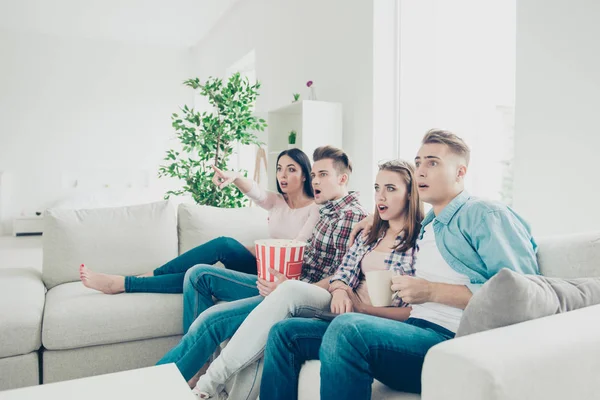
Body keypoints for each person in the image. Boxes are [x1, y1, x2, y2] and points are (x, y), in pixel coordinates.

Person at [260, 129, 540, 400]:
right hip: (413, 331)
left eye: (433, 163)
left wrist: (431, 291)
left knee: (349, 328)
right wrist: (374, 222)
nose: (421, 171)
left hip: (451, 339)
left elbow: (524, 292)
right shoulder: (429, 226)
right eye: (418, 162)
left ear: (460, 172)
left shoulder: (483, 213)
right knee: (286, 333)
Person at [191, 160, 424, 399]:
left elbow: (416, 310)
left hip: (370, 321)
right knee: (284, 300)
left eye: (391, 189)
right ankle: (209, 386)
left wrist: (362, 308)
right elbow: (342, 272)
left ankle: (209, 384)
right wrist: (342, 290)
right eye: (377, 188)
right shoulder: (371, 233)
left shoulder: (421, 241)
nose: (380, 196)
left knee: (282, 302)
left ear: (410, 194)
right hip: (339, 304)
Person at [154, 146, 368, 393]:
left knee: (212, 320)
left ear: (342, 179)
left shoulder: (351, 216)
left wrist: (289, 287)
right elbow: (304, 258)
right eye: (315, 174)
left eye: (323, 175)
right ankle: (170, 379)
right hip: (292, 287)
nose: (316, 180)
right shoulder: (327, 211)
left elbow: (343, 276)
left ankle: (157, 387)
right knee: (203, 290)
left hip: (309, 296)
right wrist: (283, 280)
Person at [79, 148, 319, 295]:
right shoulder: (277, 201)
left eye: (291, 169)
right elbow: (254, 190)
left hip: (282, 277)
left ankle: (131, 281)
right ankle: (126, 283)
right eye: (279, 169)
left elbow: (292, 249)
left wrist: (250, 249)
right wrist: (234, 176)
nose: (283, 175)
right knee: (202, 269)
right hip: (261, 264)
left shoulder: (314, 209)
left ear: (305, 174)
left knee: (224, 246)